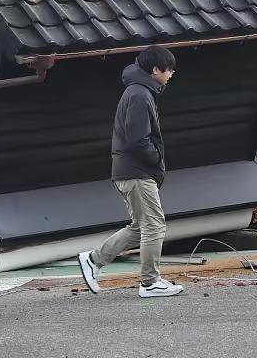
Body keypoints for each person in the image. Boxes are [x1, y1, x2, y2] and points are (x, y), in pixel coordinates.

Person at [78, 45, 183, 298]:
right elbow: (138, 139)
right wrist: (156, 159)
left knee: (140, 226)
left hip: (130, 171)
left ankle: (93, 260)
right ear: (156, 70)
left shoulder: (140, 91)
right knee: (155, 225)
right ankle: (149, 282)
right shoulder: (139, 94)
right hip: (137, 171)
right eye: (169, 70)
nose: (171, 74)